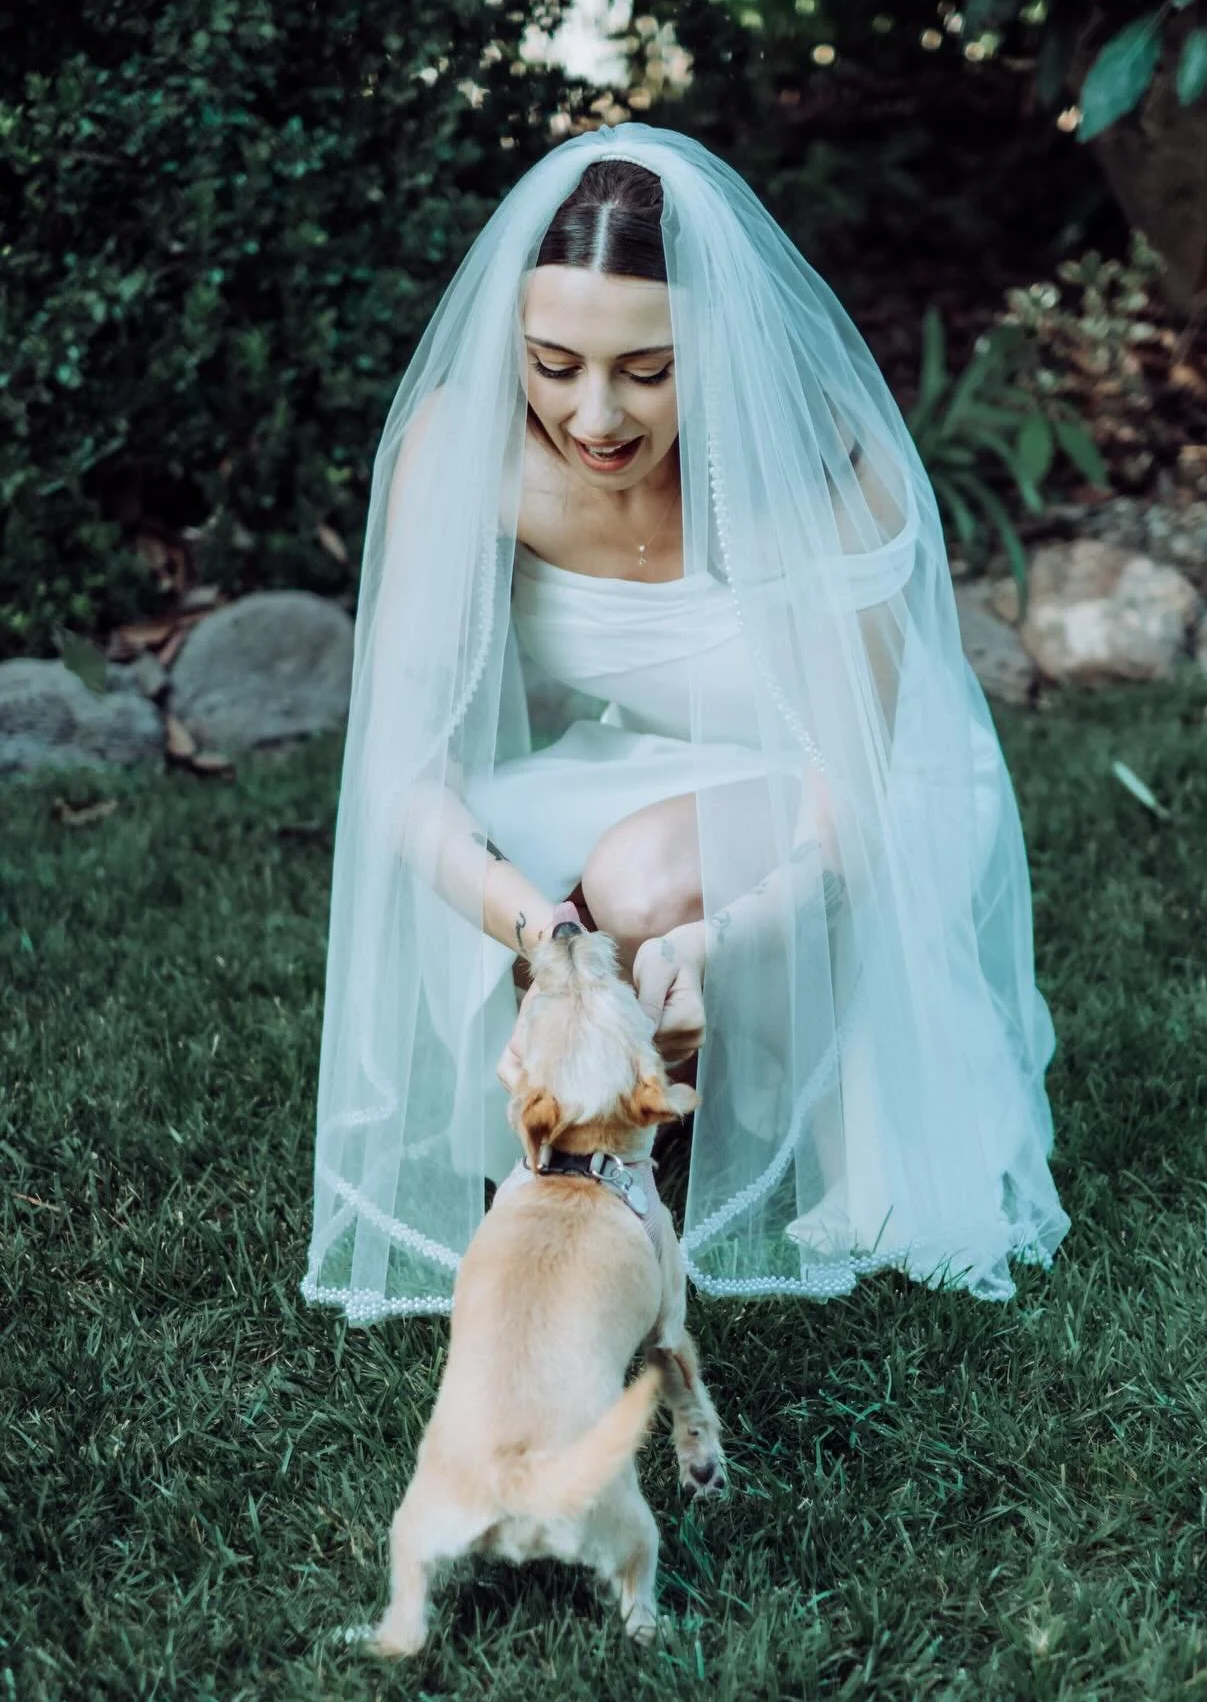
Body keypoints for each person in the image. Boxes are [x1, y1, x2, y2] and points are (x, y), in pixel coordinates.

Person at [303, 124, 1068, 1326]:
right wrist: (549, 934)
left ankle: (715, 1091)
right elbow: (404, 775)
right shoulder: (466, 449)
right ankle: (637, 1084)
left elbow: (847, 799)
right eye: (554, 364)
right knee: (517, 863)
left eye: (648, 370)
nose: (595, 415)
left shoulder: (823, 468)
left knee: (641, 881)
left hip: (864, 788)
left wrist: (721, 939)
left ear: (718, 346)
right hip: (649, 762)